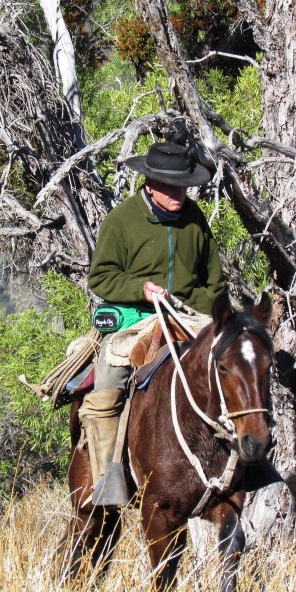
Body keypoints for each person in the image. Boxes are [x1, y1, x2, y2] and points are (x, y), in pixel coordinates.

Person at [81, 142, 227, 505]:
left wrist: (212, 314)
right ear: (150, 184)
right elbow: (100, 278)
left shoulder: (195, 219)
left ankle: (245, 464)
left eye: (185, 185)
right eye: (172, 186)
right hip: (138, 316)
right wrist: (141, 289)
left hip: (191, 316)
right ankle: (107, 477)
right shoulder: (122, 220)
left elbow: (215, 283)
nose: (181, 193)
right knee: (110, 378)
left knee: (236, 366)